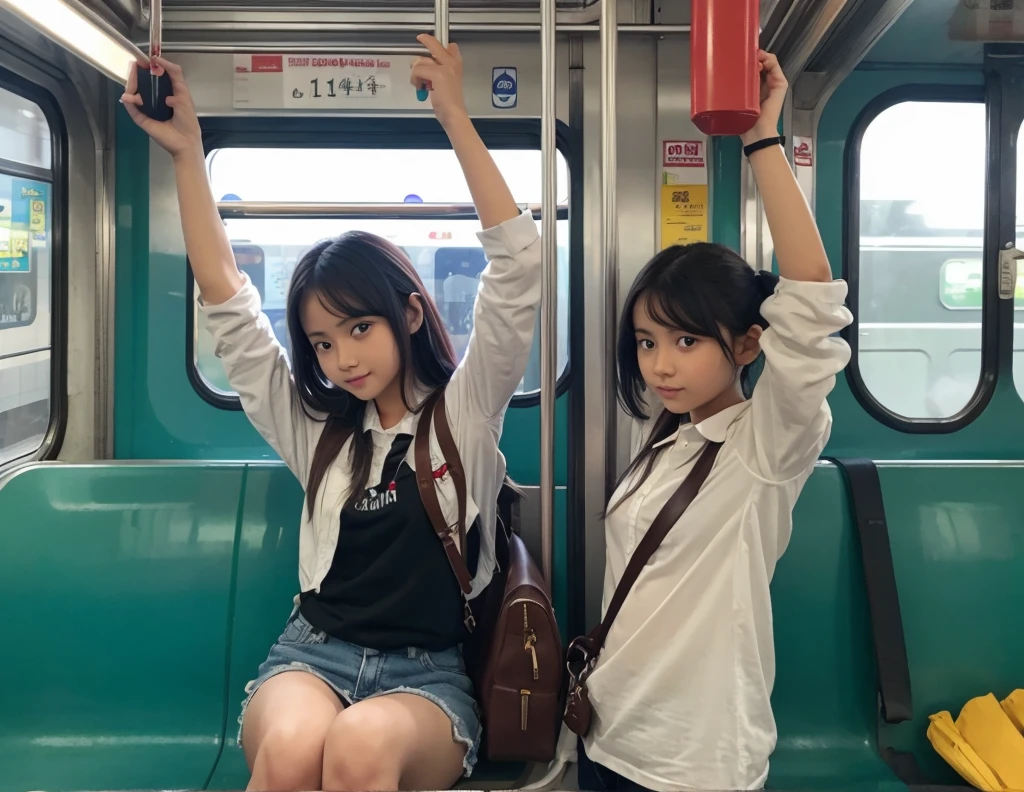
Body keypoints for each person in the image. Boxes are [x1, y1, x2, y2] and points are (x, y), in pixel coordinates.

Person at [121, 33, 542, 792]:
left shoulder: (465, 414)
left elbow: (519, 272)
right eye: (320, 342)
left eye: (358, 328)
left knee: (357, 750)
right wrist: (188, 154)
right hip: (311, 655)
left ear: (410, 315)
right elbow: (227, 305)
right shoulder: (319, 435)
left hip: (427, 676)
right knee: (289, 754)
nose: (342, 358)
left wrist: (454, 117)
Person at [532, 50, 853, 792]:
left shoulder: (761, 449)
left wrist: (761, 139)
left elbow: (811, 308)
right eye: (646, 342)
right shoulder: (668, 439)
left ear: (745, 345)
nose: (660, 366)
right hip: (611, 738)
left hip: (696, 763)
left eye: (685, 341)